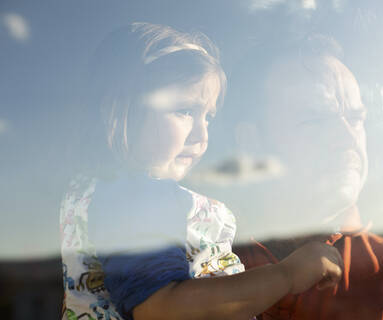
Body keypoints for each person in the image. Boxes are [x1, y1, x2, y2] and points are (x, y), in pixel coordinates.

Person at [60, 23, 345, 320]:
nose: (201, 135)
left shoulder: (103, 194)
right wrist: (286, 275)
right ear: (119, 113)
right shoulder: (137, 198)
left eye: (207, 117)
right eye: (184, 111)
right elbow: (162, 308)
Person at [232, 37, 383, 319]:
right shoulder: (193, 261)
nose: (347, 138)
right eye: (315, 120)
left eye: (356, 119)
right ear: (251, 143)